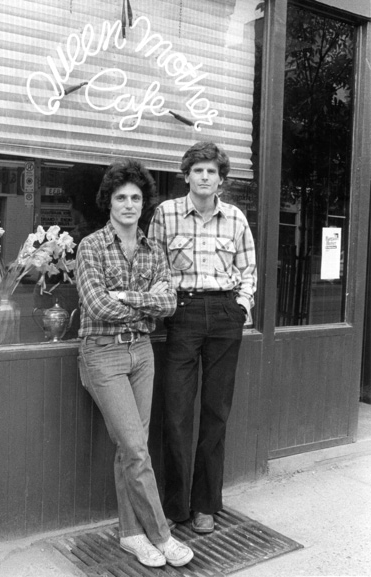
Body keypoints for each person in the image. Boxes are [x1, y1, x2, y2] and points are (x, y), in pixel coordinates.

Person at [75, 159, 194, 568]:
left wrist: (124, 297)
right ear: (108, 202)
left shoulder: (153, 248)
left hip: (141, 353)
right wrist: (142, 301)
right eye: (121, 197)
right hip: (102, 353)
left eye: (136, 197)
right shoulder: (89, 246)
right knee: (135, 446)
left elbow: (169, 304)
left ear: (144, 203)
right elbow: (95, 303)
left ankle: (131, 534)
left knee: (132, 449)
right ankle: (161, 535)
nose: (128, 204)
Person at [148, 141, 257, 534]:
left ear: (221, 179)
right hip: (184, 312)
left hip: (226, 314)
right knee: (176, 411)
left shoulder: (236, 219)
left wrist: (241, 307)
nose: (205, 177)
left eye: (212, 171)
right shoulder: (166, 214)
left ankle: (206, 505)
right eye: (198, 170)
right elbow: (154, 266)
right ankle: (176, 506)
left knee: (216, 411)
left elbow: (249, 270)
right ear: (187, 175)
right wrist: (167, 306)